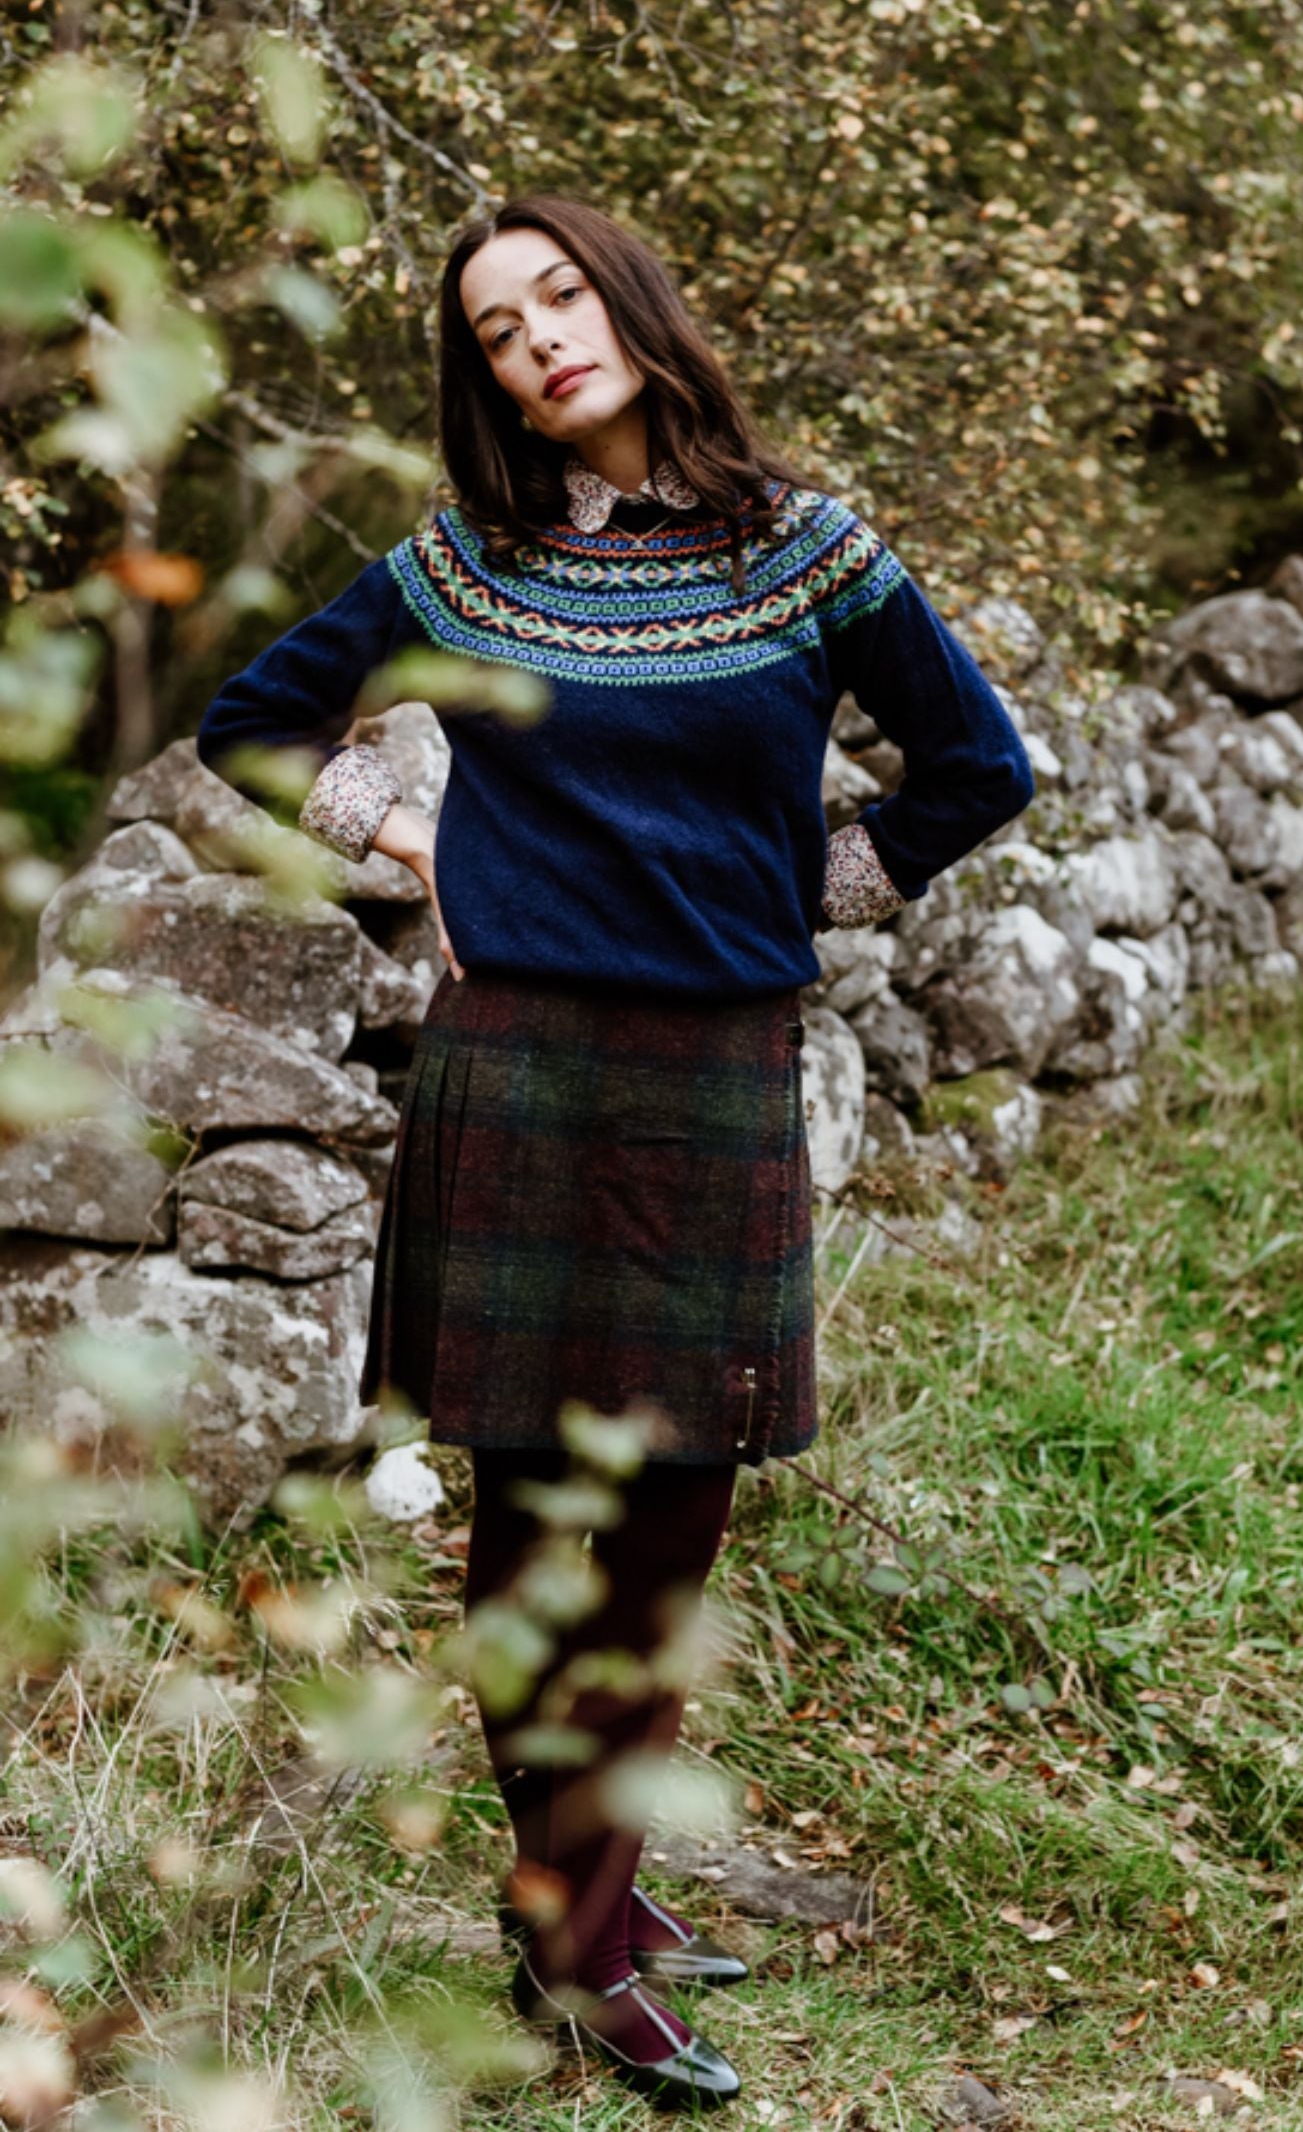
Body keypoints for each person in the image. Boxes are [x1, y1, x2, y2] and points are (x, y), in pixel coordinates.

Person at [196, 190, 1035, 2109]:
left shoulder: (808, 549)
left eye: (560, 295)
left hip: (717, 1070)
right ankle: (572, 1943)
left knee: (665, 1528)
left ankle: (589, 1893)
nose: (538, 340)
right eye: (497, 327)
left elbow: (977, 766)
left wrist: (789, 891)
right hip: (515, 1073)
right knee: (523, 1522)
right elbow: (253, 724)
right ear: (482, 372)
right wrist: (419, 844)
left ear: (632, 299)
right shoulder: (470, 570)